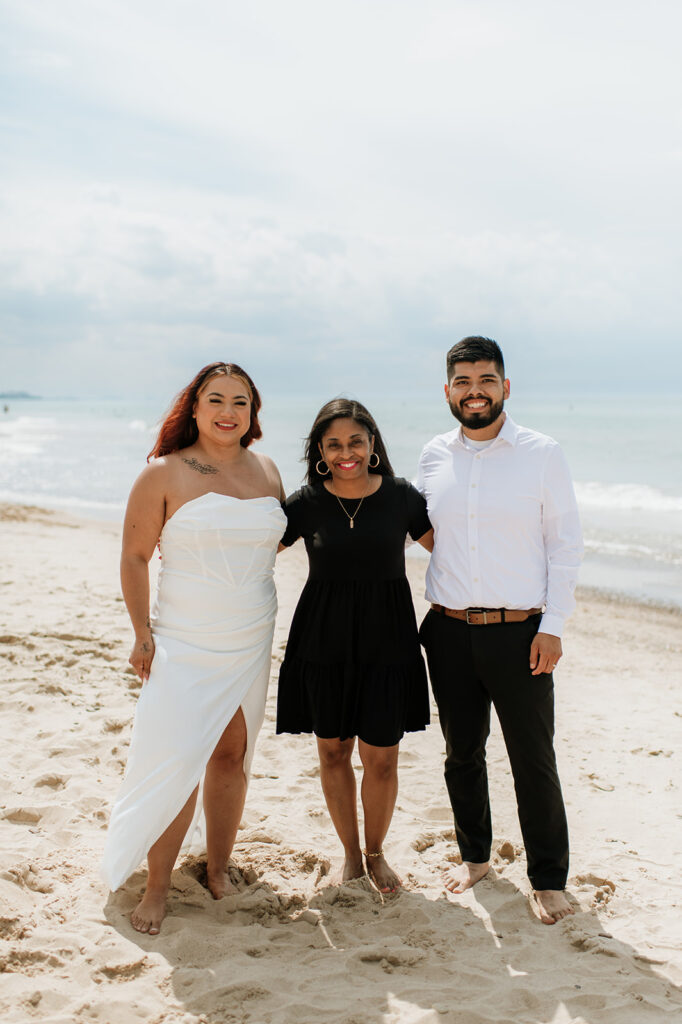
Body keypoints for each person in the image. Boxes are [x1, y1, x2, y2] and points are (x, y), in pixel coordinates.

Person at [101, 362, 286, 935]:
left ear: (253, 412)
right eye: (216, 400)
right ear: (195, 408)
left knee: (232, 754)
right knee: (178, 758)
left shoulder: (268, 470)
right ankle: (158, 886)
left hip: (250, 632)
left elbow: (265, 545)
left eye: (241, 402)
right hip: (183, 638)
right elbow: (134, 558)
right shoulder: (163, 473)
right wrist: (142, 632)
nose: (228, 412)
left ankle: (219, 868)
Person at [417, 336, 582, 924]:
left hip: (522, 633)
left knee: (532, 756)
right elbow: (424, 530)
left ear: (505, 387)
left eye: (485, 380)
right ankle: (476, 860)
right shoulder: (434, 454)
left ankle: (548, 879)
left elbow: (565, 545)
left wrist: (553, 626)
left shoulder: (542, 453)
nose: (474, 391)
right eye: (462, 382)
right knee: (462, 752)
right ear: (448, 392)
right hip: (447, 631)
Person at [277, 399, 434, 894]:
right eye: (334, 444)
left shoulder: (402, 497)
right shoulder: (304, 504)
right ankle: (349, 854)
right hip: (323, 639)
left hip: (388, 638)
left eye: (355, 442)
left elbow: (458, 548)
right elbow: (247, 549)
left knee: (382, 756)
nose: (346, 453)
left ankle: (375, 851)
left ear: (372, 445)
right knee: (333, 751)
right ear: (320, 451)